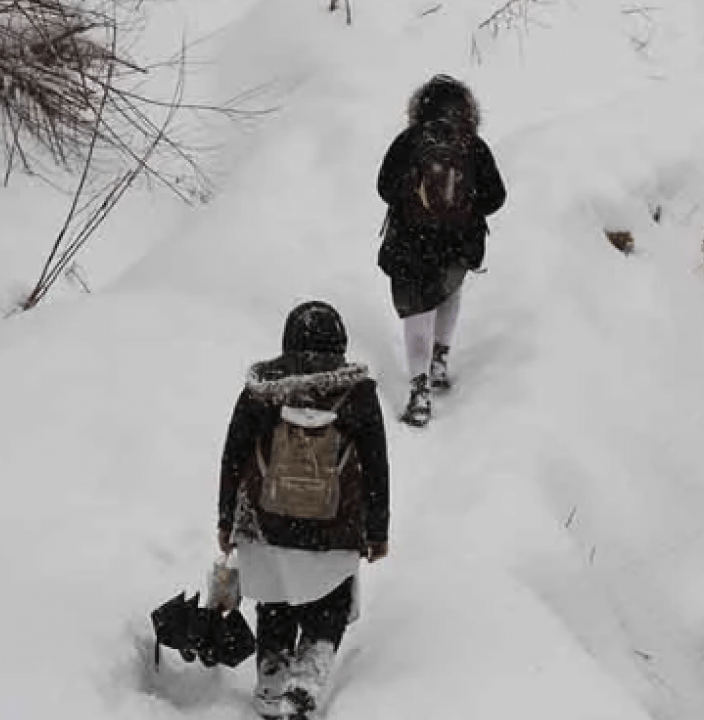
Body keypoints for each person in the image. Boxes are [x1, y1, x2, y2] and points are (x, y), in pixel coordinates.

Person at [217, 300, 390, 720]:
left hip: (266, 523)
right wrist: (377, 530)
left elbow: (234, 456)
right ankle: (306, 679)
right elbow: (375, 464)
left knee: (275, 601)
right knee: (328, 603)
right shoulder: (358, 393)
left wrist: (226, 519)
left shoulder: (261, 389)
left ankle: (271, 681)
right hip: (336, 525)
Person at [376, 74, 507, 427]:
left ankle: (419, 391)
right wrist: (463, 211)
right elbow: (497, 197)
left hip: (410, 245)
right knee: (448, 292)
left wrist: (414, 205)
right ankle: (440, 360)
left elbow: (384, 186)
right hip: (457, 245)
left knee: (417, 311)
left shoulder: (409, 141)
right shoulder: (473, 146)